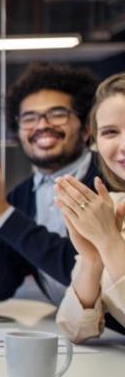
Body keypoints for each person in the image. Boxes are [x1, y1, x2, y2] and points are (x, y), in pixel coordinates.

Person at [0, 63, 100, 303]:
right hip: (70, 330)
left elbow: (78, 269)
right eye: (29, 118)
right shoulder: (21, 197)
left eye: (57, 114)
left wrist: (2, 214)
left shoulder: (107, 181)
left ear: (85, 129)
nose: (42, 125)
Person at [54, 73, 125, 342]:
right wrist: (92, 260)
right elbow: (74, 328)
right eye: (109, 132)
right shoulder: (113, 207)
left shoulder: (107, 223)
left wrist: (109, 242)